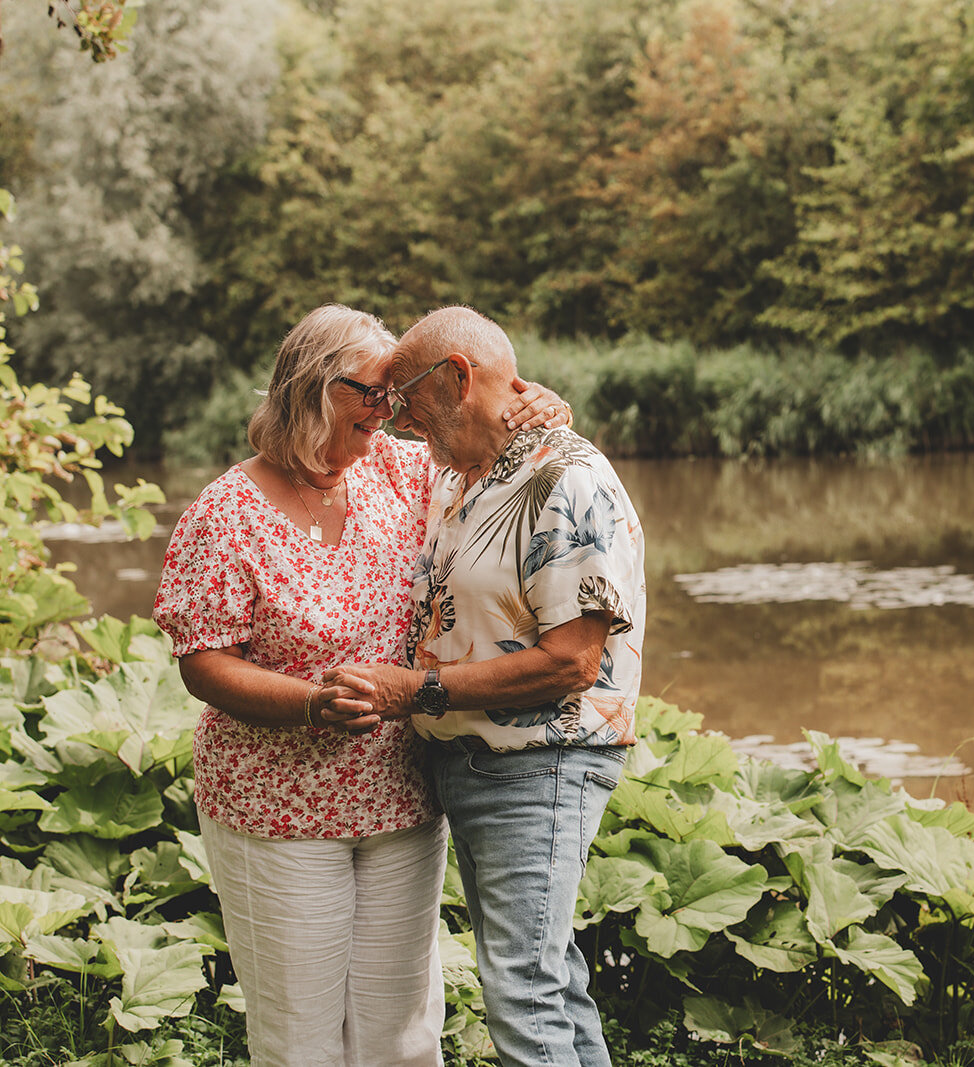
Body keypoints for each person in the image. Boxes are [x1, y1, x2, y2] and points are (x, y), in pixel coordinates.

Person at [151, 303, 572, 1067]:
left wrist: (534, 402)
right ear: (312, 387)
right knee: (301, 1043)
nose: (390, 409)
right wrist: (310, 702)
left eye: (393, 395)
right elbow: (203, 659)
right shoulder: (228, 511)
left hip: (399, 800)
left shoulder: (400, 473)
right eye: (371, 392)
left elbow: (485, 439)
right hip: (274, 806)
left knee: (403, 1038)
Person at [321, 305, 646, 1067]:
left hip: (539, 763)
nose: (400, 421)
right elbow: (327, 450)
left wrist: (414, 691)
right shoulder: (459, 474)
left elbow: (573, 662)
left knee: (523, 992)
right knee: (549, 981)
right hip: (471, 764)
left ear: (459, 379)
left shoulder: (569, 478)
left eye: (408, 400)